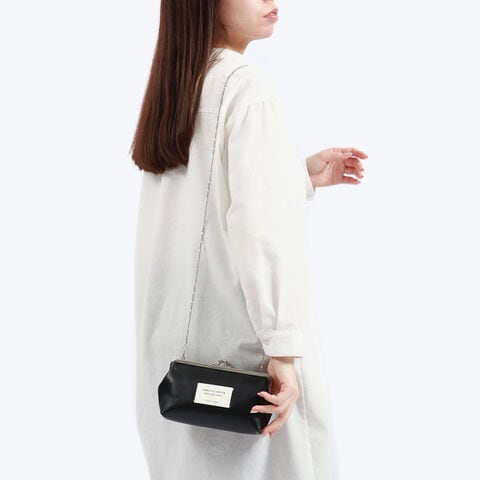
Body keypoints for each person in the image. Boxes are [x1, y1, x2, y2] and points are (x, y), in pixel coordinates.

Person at [130, 1, 367, 479]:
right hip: (245, 362)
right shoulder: (246, 86)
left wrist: (295, 176)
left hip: (175, 364)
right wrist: (282, 349)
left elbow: (204, 206)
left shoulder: (180, 86)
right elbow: (261, 230)